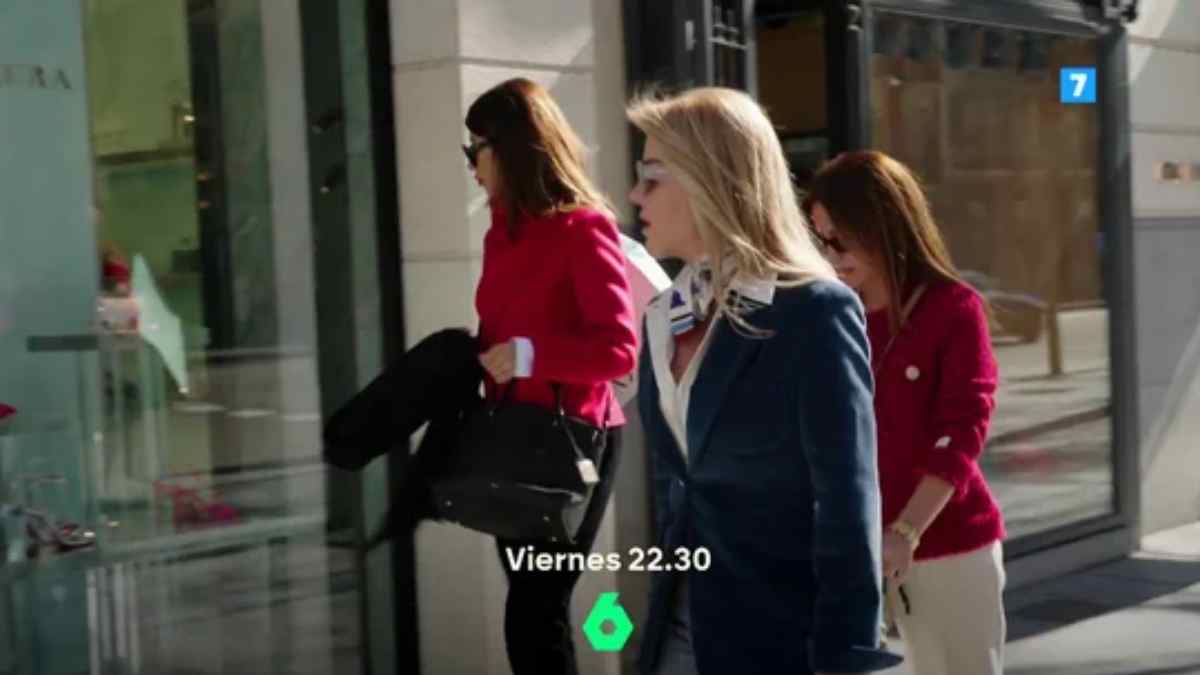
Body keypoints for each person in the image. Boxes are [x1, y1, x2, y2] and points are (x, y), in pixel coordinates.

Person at [627, 87, 900, 675]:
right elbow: (676, 485)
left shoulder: (813, 311)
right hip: (677, 631)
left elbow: (847, 501)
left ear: (707, 179)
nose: (634, 196)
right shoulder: (659, 316)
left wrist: (847, 655)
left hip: (780, 641)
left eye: (651, 177)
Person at [803, 150, 1007, 675]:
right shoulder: (826, 316)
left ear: (882, 224)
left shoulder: (953, 308)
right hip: (850, 555)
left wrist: (906, 532)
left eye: (840, 236)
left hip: (948, 547)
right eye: (820, 237)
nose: (830, 253)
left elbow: (963, 429)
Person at [465, 77, 638, 675]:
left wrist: (530, 356)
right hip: (511, 436)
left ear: (511, 149)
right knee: (531, 608)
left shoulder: (583, 228)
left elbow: (619, 350)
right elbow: (500, 334)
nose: (471, 166)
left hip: (571, 441)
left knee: (535, 610)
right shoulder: (501, 233)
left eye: (475, 150)